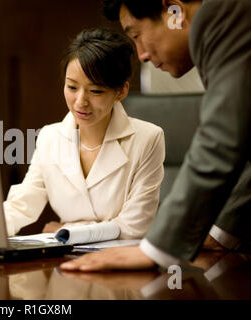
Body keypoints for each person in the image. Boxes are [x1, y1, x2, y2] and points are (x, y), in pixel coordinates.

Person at [61, 0, 251, 272]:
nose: (141, 55)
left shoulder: (222, 16)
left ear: (174, 11)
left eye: (136, 35)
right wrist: (221, 231)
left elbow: (223, 140)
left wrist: (157, 249)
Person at [4, 28, 165, 240]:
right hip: (65, 259)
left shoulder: (148, 138)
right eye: (72, 87)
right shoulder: (49, 137)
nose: (81, 102)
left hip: (120, 262)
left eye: (96, 91)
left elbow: (135, 226)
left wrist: (67, 230)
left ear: (121, 91)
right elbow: (22, 205)